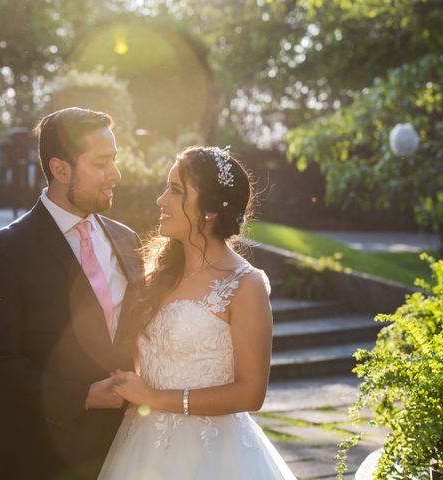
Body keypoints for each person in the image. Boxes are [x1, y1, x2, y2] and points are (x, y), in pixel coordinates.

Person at [98, 146, 297, 479]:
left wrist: (153, 398)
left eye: (175, 190)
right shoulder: (155, 275)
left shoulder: (245, 285)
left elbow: (251, 392)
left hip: (215, 454)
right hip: (140, 445)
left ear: (209, 211)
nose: (161, 200)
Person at [0, 107, 143, 480]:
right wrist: (82, 395)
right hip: (39, 456)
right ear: (61, 169)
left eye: (115, 160)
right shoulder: (5, 251)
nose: (116, 174)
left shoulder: (127, 240)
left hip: (125, 449)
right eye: (102, 163)